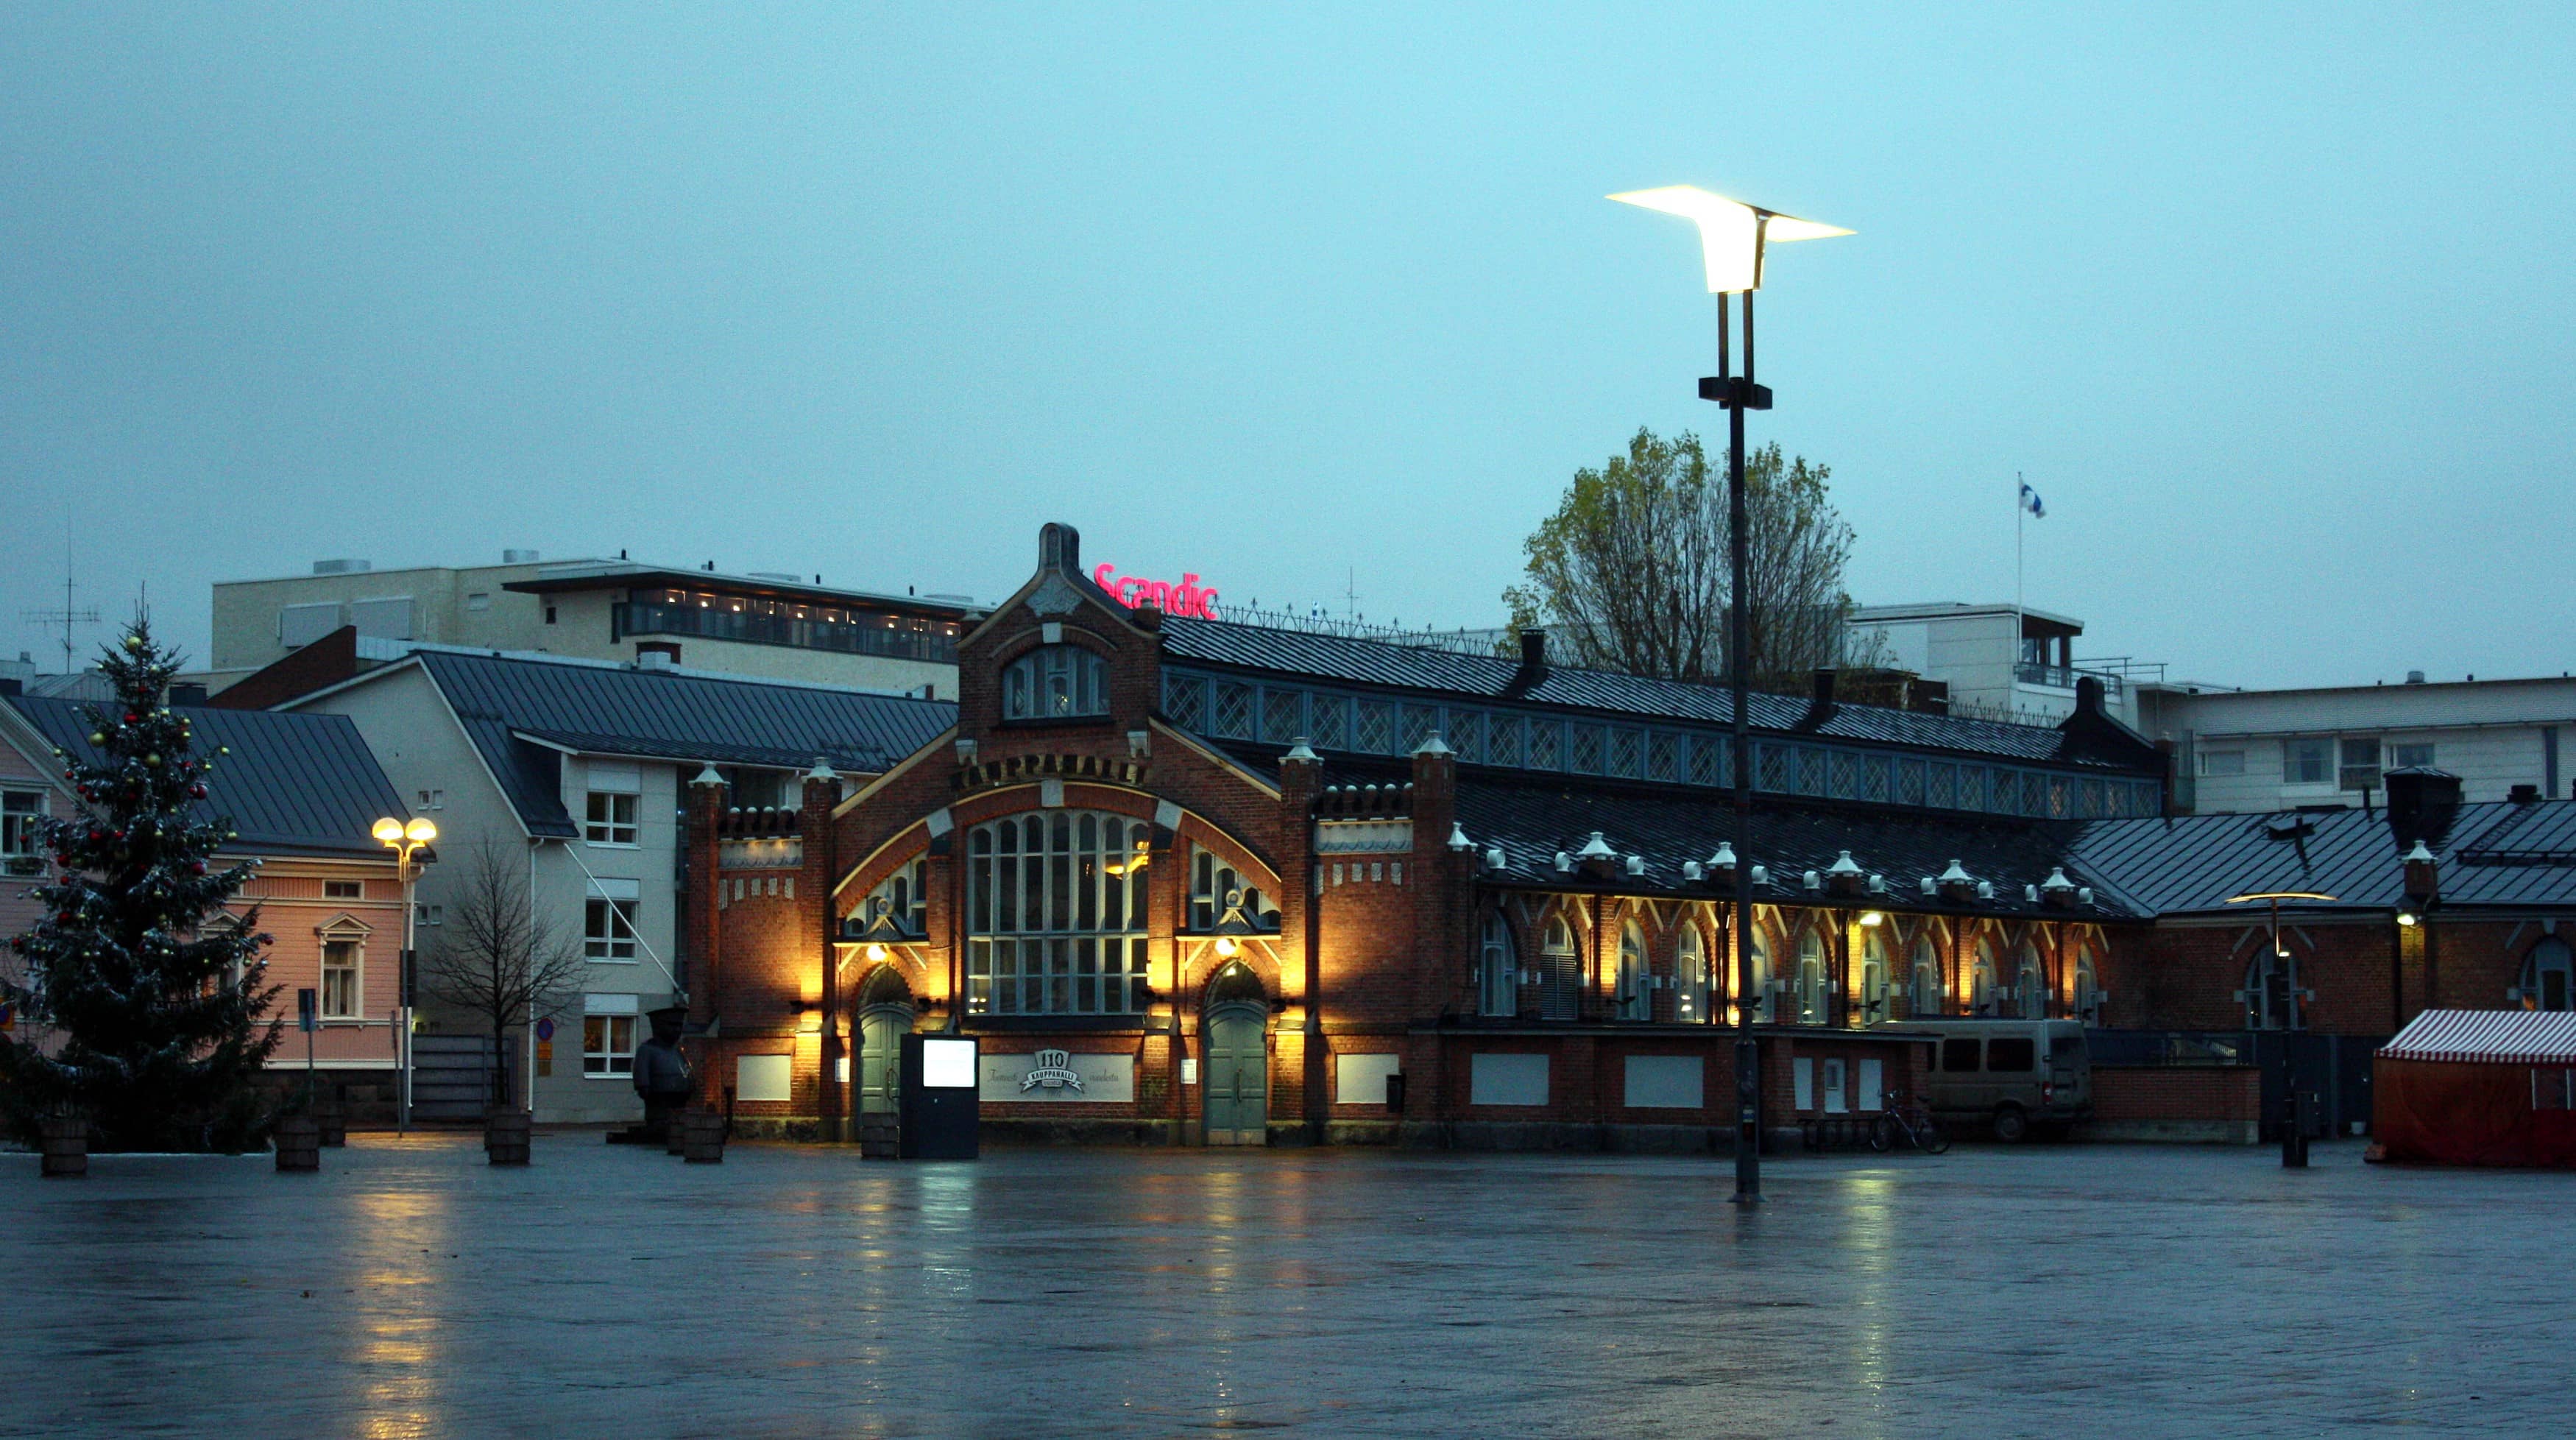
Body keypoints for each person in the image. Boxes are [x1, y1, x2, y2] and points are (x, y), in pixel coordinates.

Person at [631, 1006, 693, 1143]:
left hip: (679, 1107)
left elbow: (687, 1072)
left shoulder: (678, 1051)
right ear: (658, 1026)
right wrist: (645, 1086)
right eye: (672, 1026)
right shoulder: (646, 1051)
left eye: (679, 1026)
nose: (677, 1030)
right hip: (658, 1111)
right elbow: (642, 1083)